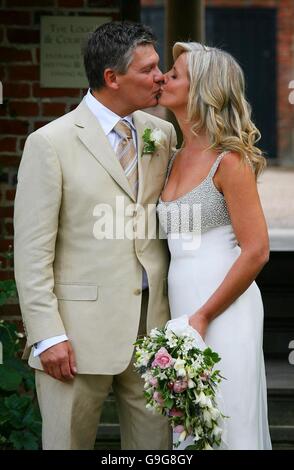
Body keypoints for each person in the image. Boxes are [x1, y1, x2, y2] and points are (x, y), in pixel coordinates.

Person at [14, 21, 177, 450]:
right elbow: (32, 253)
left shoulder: (161, 135)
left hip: (152, 331)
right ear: (112, 77)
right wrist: (47, 334)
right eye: (149, 69)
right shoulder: (50, 143)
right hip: (75, 338)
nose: (161, 76)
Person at [157, 42, 272, 450]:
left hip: (223, 308)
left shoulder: (230, 160)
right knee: (191, 427)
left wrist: (204, 315)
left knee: (228, 422)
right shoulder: (171, 153)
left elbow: (257, 249)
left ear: (202, 90)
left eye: (175, 73)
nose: (164, 77)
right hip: (183, 305)